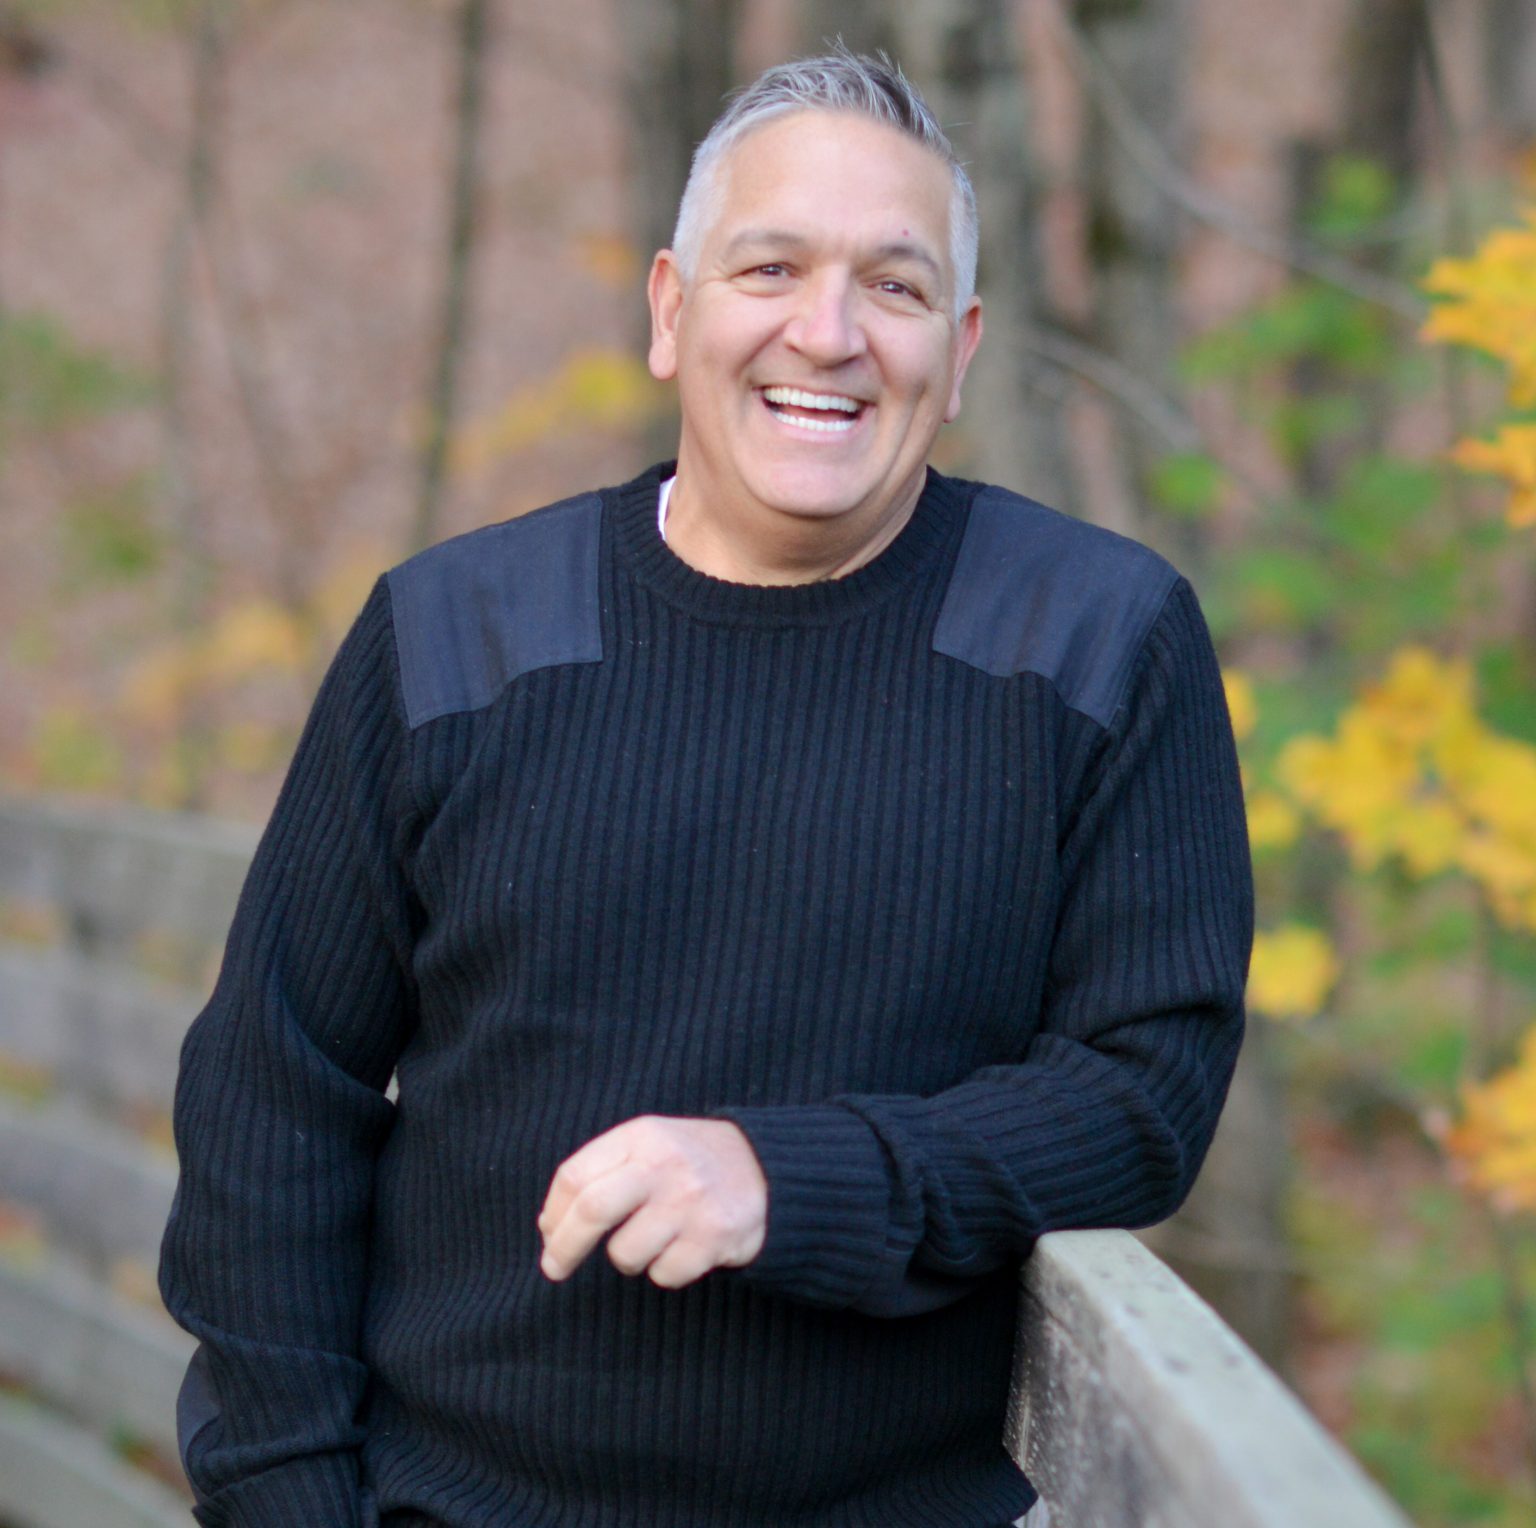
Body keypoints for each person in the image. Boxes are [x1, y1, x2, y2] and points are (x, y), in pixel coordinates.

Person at [160, 47, 1253, 1528]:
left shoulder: (1100, 640)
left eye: (897, 285)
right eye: (772, 267)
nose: (829, 331)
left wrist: (792, 1177)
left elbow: (1144, 1096)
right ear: (672, 312)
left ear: (965, 346)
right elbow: (274, 1089)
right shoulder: (453, 633)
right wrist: (287, 1498)